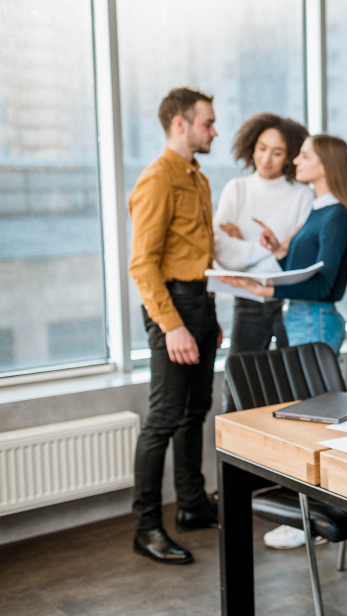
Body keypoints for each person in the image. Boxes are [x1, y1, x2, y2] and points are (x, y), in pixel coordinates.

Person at [219, 134, 347, 549]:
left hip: (316, 323)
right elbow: (303, 268)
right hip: (302, 322)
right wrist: (279, 250)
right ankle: (312, 515)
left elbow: (322, 286)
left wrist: (262, 288)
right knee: (309, 425)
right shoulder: (319, 210)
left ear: (326, 165)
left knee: (315, 430)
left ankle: (313, 520)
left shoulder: (336, 215)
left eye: (303, 156)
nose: (295, 162)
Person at [128, 86, 222, 565]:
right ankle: (146, 528)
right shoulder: (159, 178)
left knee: (195, 412)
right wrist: (173, 327)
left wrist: (210, 318)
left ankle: (192, 505)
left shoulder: (197, 178)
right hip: (174, 310)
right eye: (207, 122)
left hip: (199, 305)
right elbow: (142, 265)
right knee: (162, 419)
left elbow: (197, 255)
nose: (214, 130)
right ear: (180, 124)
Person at [213, 113, 313, 414]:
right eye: (261, 147)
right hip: (247, 301)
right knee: (237, 390)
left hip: (289, 301)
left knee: (297, 388)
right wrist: (273, 246)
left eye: (277, 151)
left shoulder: (302, 195)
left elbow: (298, 260)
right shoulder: (237, 189)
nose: (266, 158)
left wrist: (243, 241)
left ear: (289, 157)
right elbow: (221, 251)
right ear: (251, 146)